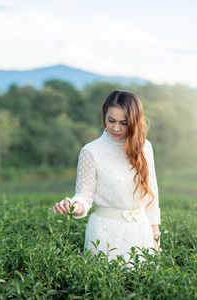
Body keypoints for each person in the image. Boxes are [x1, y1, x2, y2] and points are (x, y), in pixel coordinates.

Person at [53, 90, 161, 266]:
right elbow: (84, 196)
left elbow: (152, 194)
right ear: (104, 116)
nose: (116, 128)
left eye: (123, 123)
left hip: (141, 232)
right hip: (105, 233)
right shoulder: (91, 151)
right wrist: (73, 206)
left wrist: (155, 236)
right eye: (111, 121)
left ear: (134, 122)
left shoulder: (144, 147)